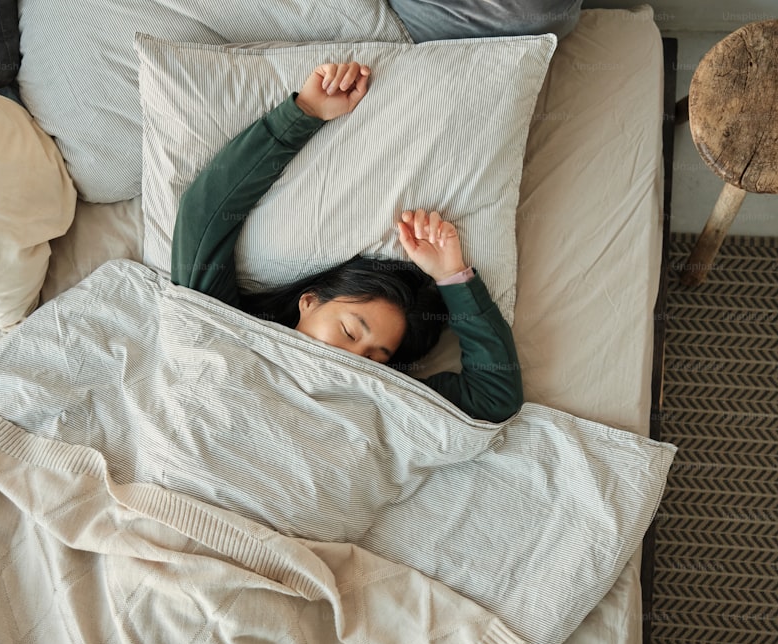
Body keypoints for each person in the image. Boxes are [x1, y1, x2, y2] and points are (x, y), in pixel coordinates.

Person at [171, 61, 523, 422]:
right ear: (308, 302)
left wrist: (452, 276)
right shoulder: (233, 331)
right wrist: (303, 114)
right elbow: (204, 213)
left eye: (376, 358)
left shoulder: (380, 399)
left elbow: (493, 398)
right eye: (349, 332)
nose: (353, 360)